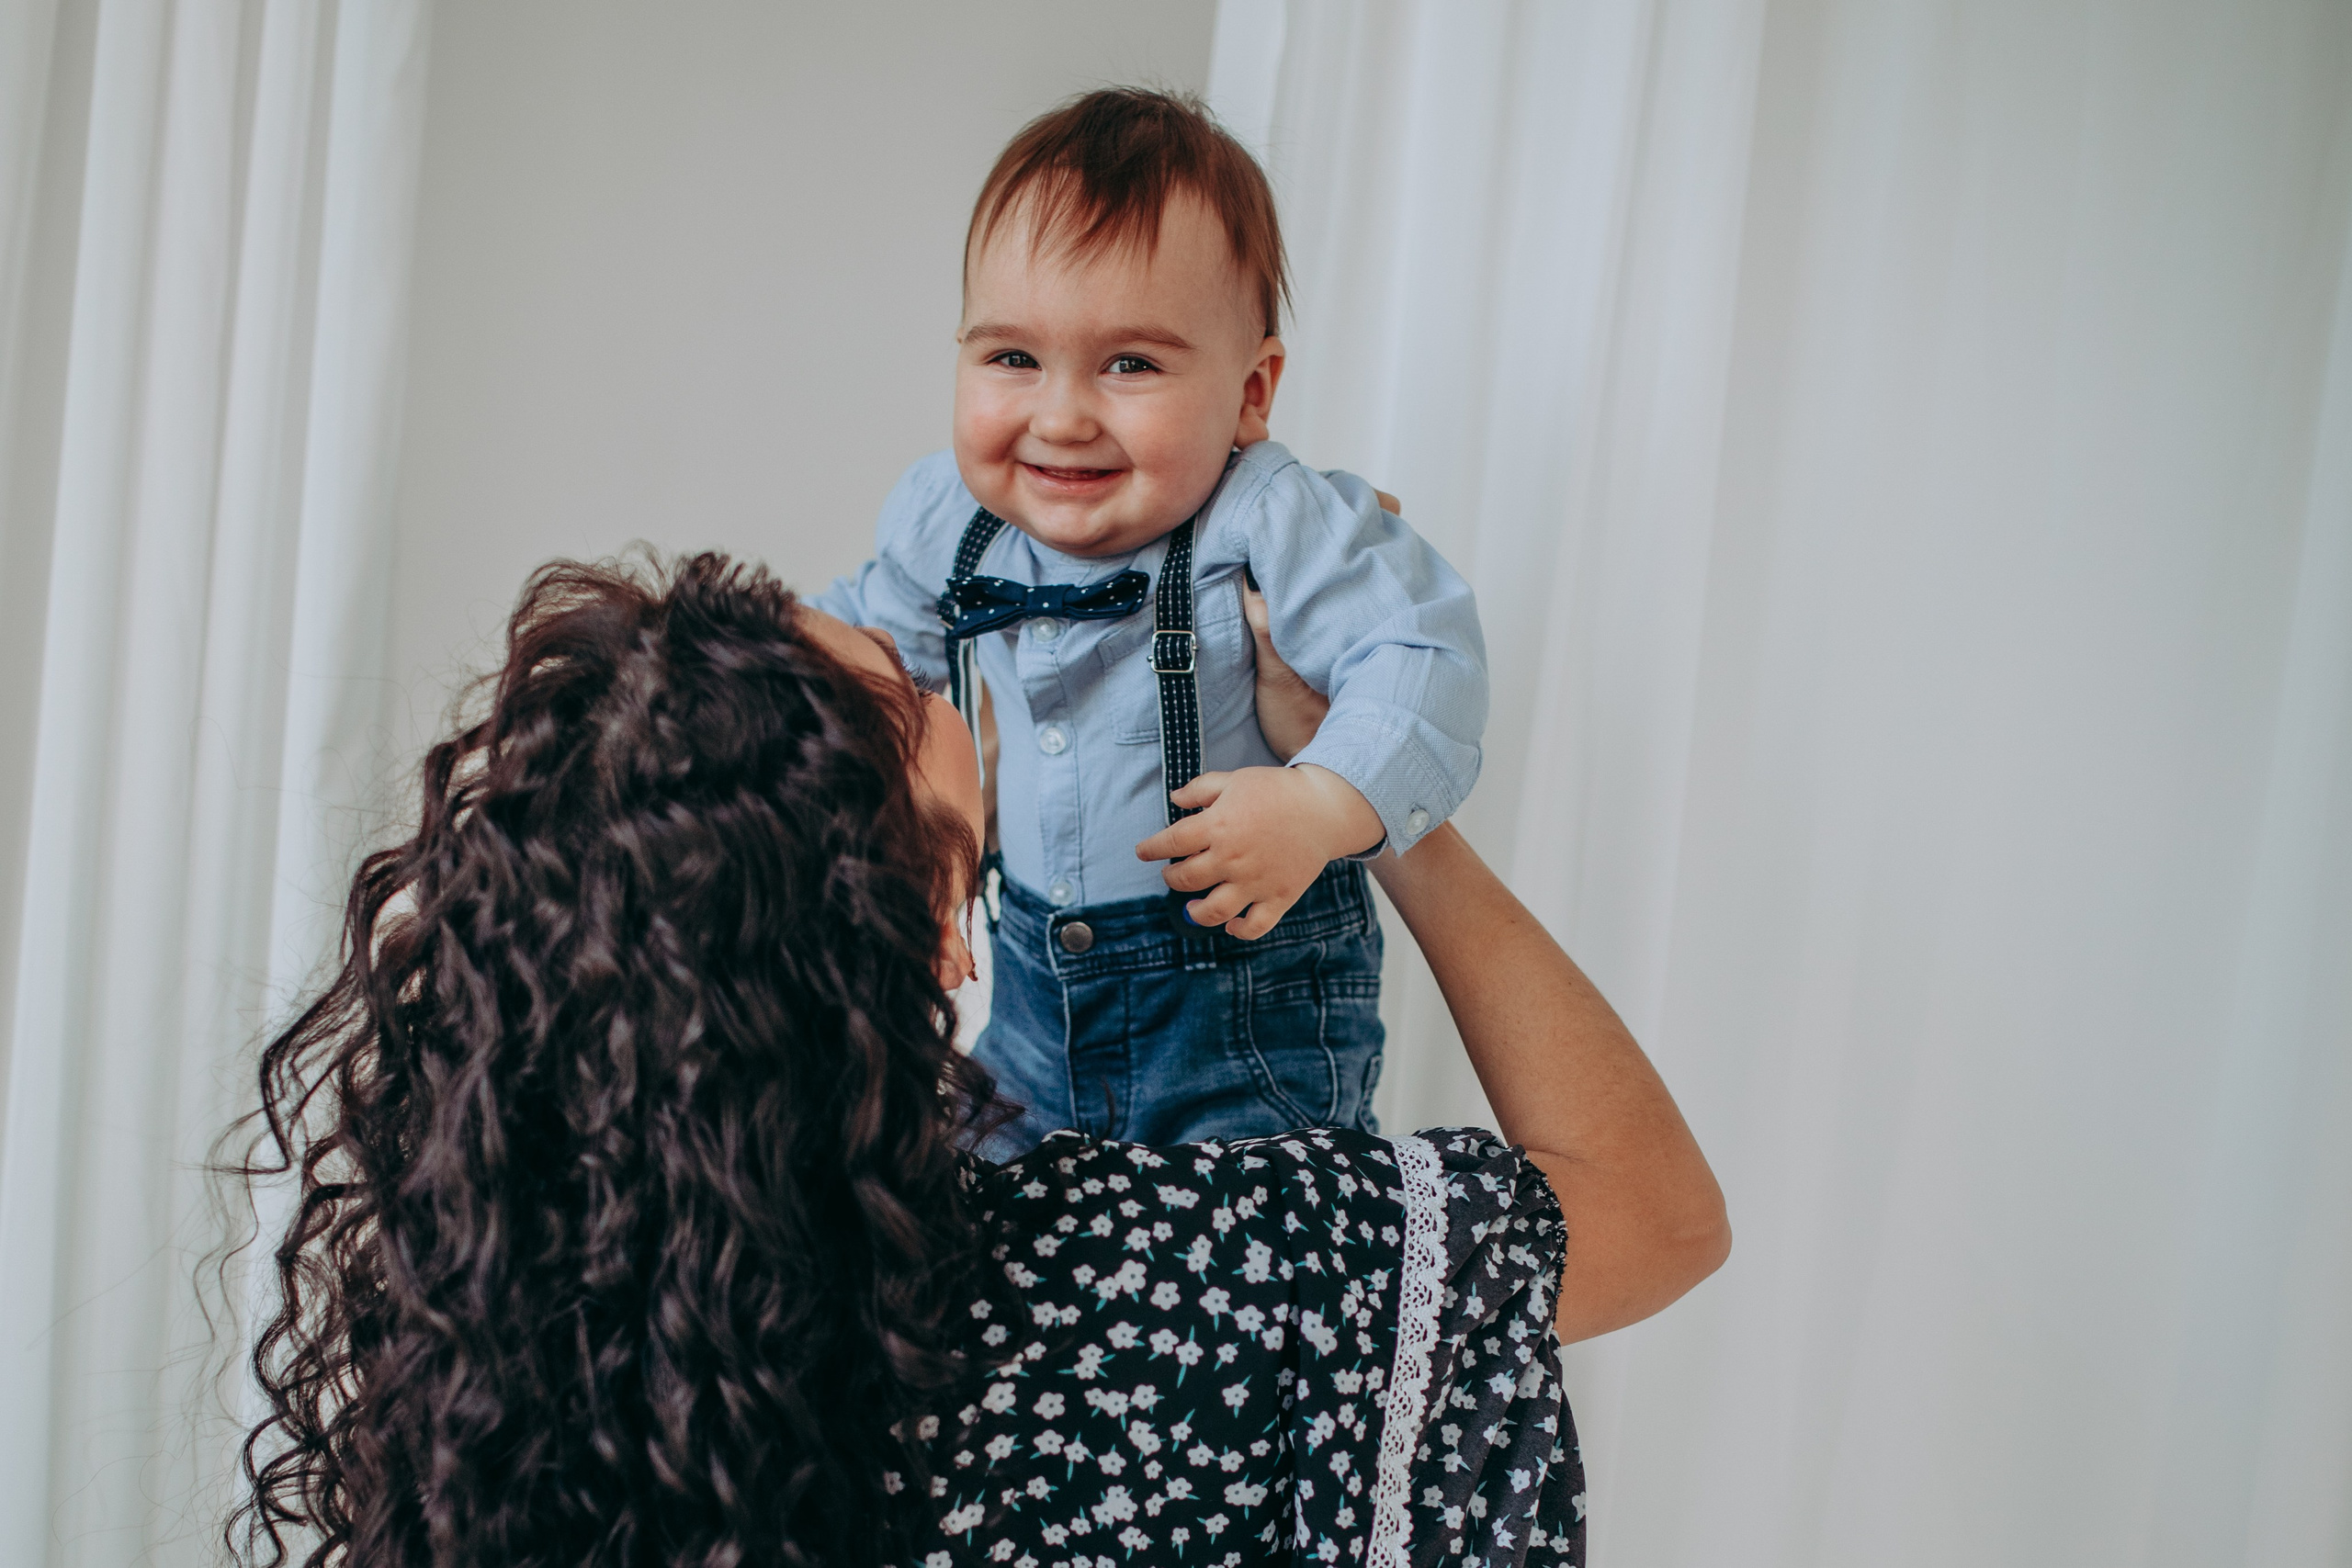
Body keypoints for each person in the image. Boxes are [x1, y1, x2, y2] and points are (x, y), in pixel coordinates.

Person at [227, 553, 1727, 1568]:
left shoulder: (494, 1384)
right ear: (939, 938)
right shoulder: (1150, 1287)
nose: (956, 688)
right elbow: (1652, 1206)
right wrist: (1366, 787)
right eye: (909, 690)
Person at [813, 87, 1487, 1153]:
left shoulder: (1271, 514)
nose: (1062, 414)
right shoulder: (950, 516)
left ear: (1251, 393)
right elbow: (860, 651)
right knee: (987, 1224)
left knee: (1259, 1273)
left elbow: (1424, 661)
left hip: (1246, 1024)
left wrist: (1316, 805)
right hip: (1030, 1001)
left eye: (1131, 364)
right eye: (1011, 358)